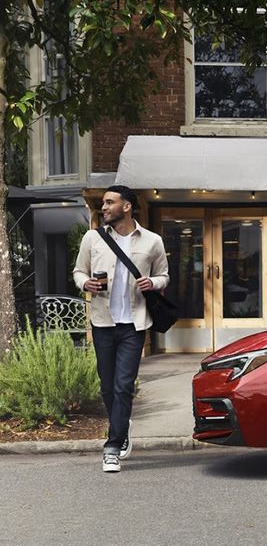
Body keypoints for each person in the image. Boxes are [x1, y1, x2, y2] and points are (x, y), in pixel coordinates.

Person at [73, 185, 169, 473]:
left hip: (134, 324)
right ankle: (121, 424)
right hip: (103, 322)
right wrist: (85, 283)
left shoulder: (152, 241)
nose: (104, 207)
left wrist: (153, 283)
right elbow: (79, 271)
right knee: (107, 385)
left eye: (109, 202)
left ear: (126, 206)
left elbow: (164, 275)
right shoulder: (93, 238)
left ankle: (112, 448)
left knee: (123, 385)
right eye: (103, 203)